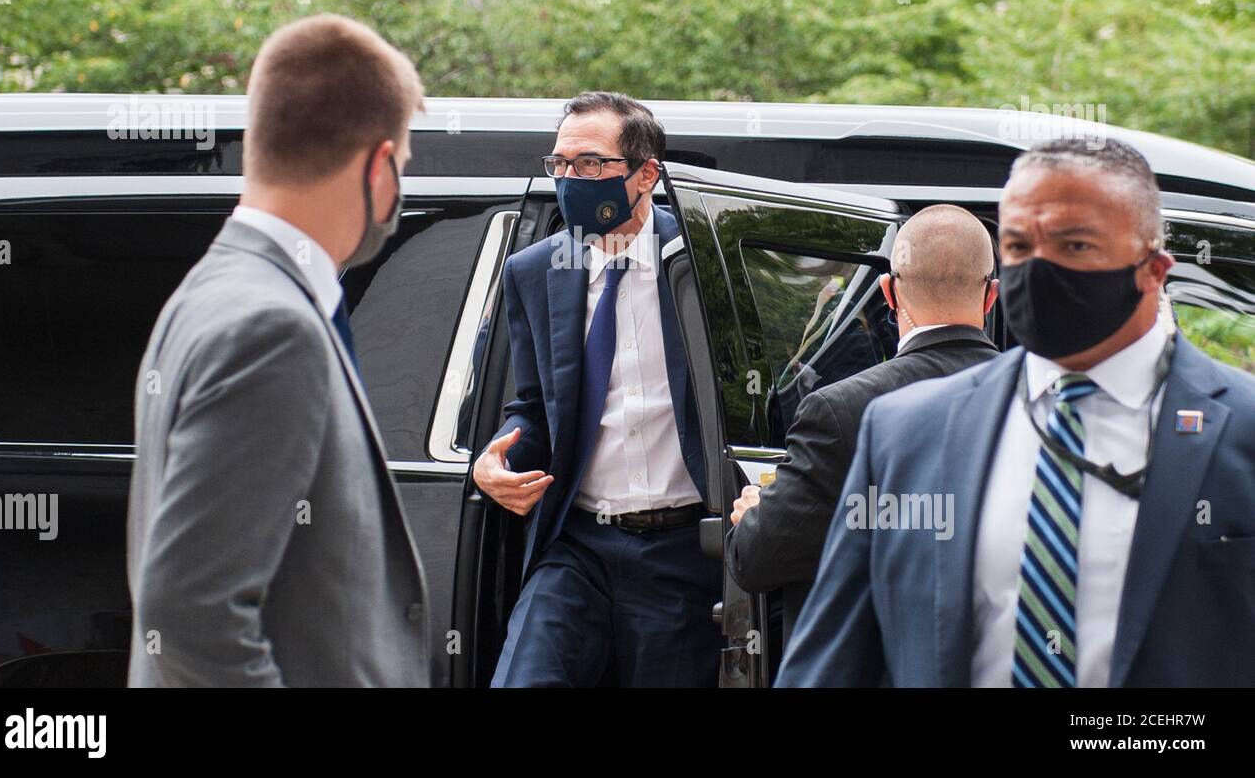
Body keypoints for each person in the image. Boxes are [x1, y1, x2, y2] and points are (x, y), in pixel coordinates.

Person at [777, 136, 1255, 688]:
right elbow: (830, 663)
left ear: (1154, 269)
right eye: (1020, 245)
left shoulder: (1240, 431)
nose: (1039, 267)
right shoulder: (905, 431)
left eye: (1074, 245)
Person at [126, 14, 431, 687]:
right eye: (402, 166)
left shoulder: (208, 292)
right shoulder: (273, 327)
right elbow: (191, 615)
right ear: (380, 164)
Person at [474, 91, 721, 687]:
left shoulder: (700, 263)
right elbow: (533, 406)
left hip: (682, 552)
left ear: (646, 174)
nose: (569, 179)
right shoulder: (534, 271)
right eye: (559, 164)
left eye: (590, 165)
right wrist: (494, 459)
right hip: (577, 545)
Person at [726, 205, 1000, 646]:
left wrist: (754, 517)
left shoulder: (838, 411)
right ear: (992, 296)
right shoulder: (1044, 401)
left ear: (889, 294)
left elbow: (757, 561)